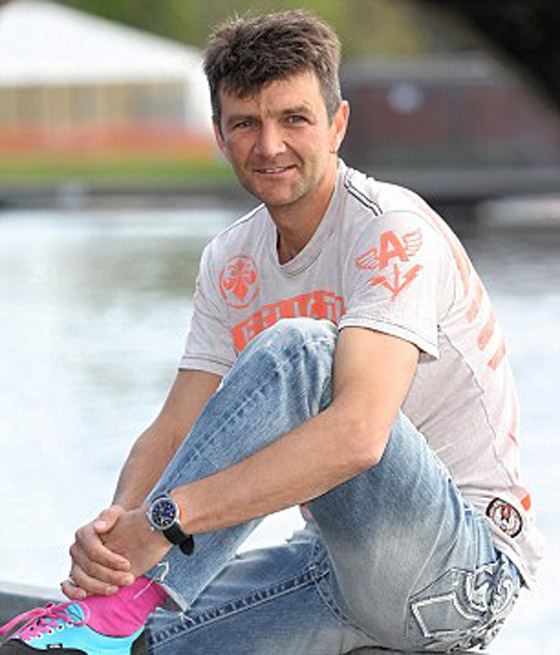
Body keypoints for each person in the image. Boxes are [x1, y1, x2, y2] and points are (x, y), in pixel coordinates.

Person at [0, 9, 542, 655]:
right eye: (245, 123)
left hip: (461, 571)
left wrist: (165, 522)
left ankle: (128, 598)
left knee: (302, 349)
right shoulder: (230, 259)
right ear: (219, 134)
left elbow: (360, 435)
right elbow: (176, 427)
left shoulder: (392, 231)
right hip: (334, 562)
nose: (269, 146)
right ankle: (122, 601)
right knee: (141, 643)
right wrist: (117, 534)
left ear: (337, 124)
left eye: (294, 119)